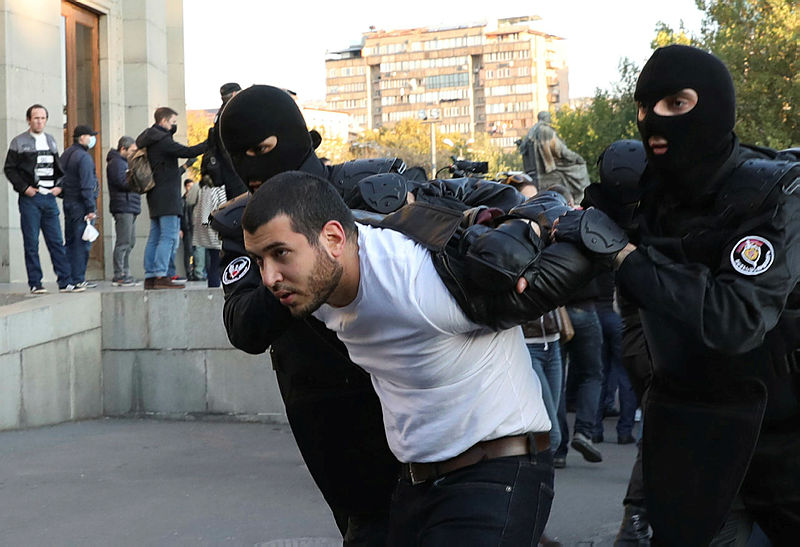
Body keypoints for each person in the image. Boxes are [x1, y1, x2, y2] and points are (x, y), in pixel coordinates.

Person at [242, 171, 555, 545]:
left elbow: (537, 275)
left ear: (333, 238)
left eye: (280, 254)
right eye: (259, 260)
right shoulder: (314, 290)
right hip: (416, 483)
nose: (270, 277)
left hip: (496, 472)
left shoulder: (417, 282)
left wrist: (528, 230)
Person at [569, 45, 800, 545]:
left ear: (714, 104)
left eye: (676, 103)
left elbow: (734, 318)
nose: (654, 121)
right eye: (644, 108)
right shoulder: (645, 195)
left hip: (781, 448)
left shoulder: (772, 193)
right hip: (687, 440)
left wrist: (626, 256)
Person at [3, 104, 72, 294]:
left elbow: (58, 168)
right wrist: (24, 188)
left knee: (56, 241)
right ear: (28, 120)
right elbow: (9, 168)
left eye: (42, 118)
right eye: (36, 118)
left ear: (46, 120)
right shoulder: (19, 142)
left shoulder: (50, 141)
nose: (39, 121)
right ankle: (35, 282)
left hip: (49, 198)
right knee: (31, 242)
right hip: (30, 199)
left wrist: (59, 187)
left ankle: (65, 281)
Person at [135, 107, 206, 290]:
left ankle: (151, 276)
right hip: (167, 195)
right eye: (173, 122)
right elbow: (188, 151)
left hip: (155, 194)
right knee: (168, 236)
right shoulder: (162, 140)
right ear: (164, 121)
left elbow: (169, 168)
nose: (174, 126)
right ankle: (161, 275)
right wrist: (210, 143)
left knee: (155, 235)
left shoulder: (151, 139)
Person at [59, 124, 100, 291]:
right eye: (90, 136)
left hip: (68, 202)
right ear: (82, 137)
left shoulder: (66, 154)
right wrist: (91, 208)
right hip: (80, 205)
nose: (92, 139)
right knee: (80, 243)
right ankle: (77, 279)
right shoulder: (83, 158)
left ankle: (67, 279)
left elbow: (59, 178)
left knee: (70, 242)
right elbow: (87, 185)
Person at [520, 111, 591, 203]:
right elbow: (560, 150)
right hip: (549, 168)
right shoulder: (545, 130)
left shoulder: (532, 130)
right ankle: (580, 197)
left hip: (537, 170)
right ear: (546, 118)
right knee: (580, 167)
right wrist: (576, 158)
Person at [202, 82, 247, 200]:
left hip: (226, 172)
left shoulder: (220, 115)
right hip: (235, 172)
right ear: (234, 94)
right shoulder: (232, 113)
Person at [106, 136, 140, 286]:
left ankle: (126, 272)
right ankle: (119, 273)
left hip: (130, 205)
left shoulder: (125, 163)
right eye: (132, 150)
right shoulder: (116, 163)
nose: (134, 153)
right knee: (123, 241)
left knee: (130, 241)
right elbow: (121, 182)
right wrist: (136, 180)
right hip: (123, 206)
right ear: (123, 149)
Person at [192, 177, 225, 287]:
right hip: (214, 229)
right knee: (216, 261)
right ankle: (214, 285)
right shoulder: (218, 190)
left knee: (211, 259)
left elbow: (190, 202)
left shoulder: (202, 189)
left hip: (203, 230)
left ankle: (210, 282)